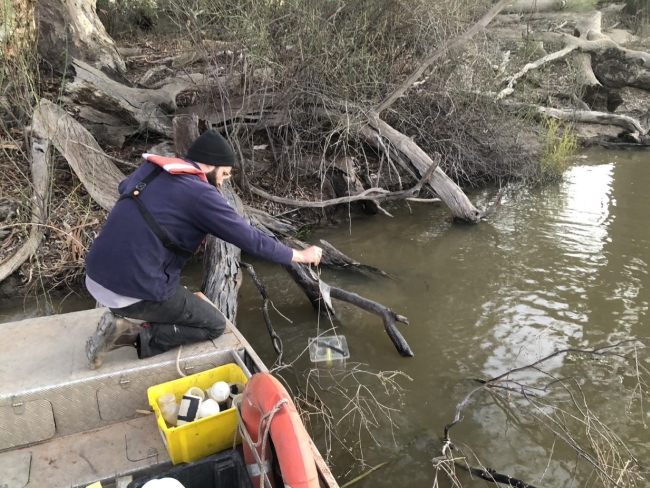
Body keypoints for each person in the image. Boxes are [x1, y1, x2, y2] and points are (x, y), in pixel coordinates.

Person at [84, 130, 322, 369]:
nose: (221, 183)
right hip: (130, 290)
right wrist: (300, 255)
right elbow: (252, 240)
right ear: (209, 164)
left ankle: (128, 316)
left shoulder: (151, 169)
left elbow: (124, 187)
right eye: (224, 174)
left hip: (95, 275)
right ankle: (132, 335)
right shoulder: (200, 194)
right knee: (214, 325)